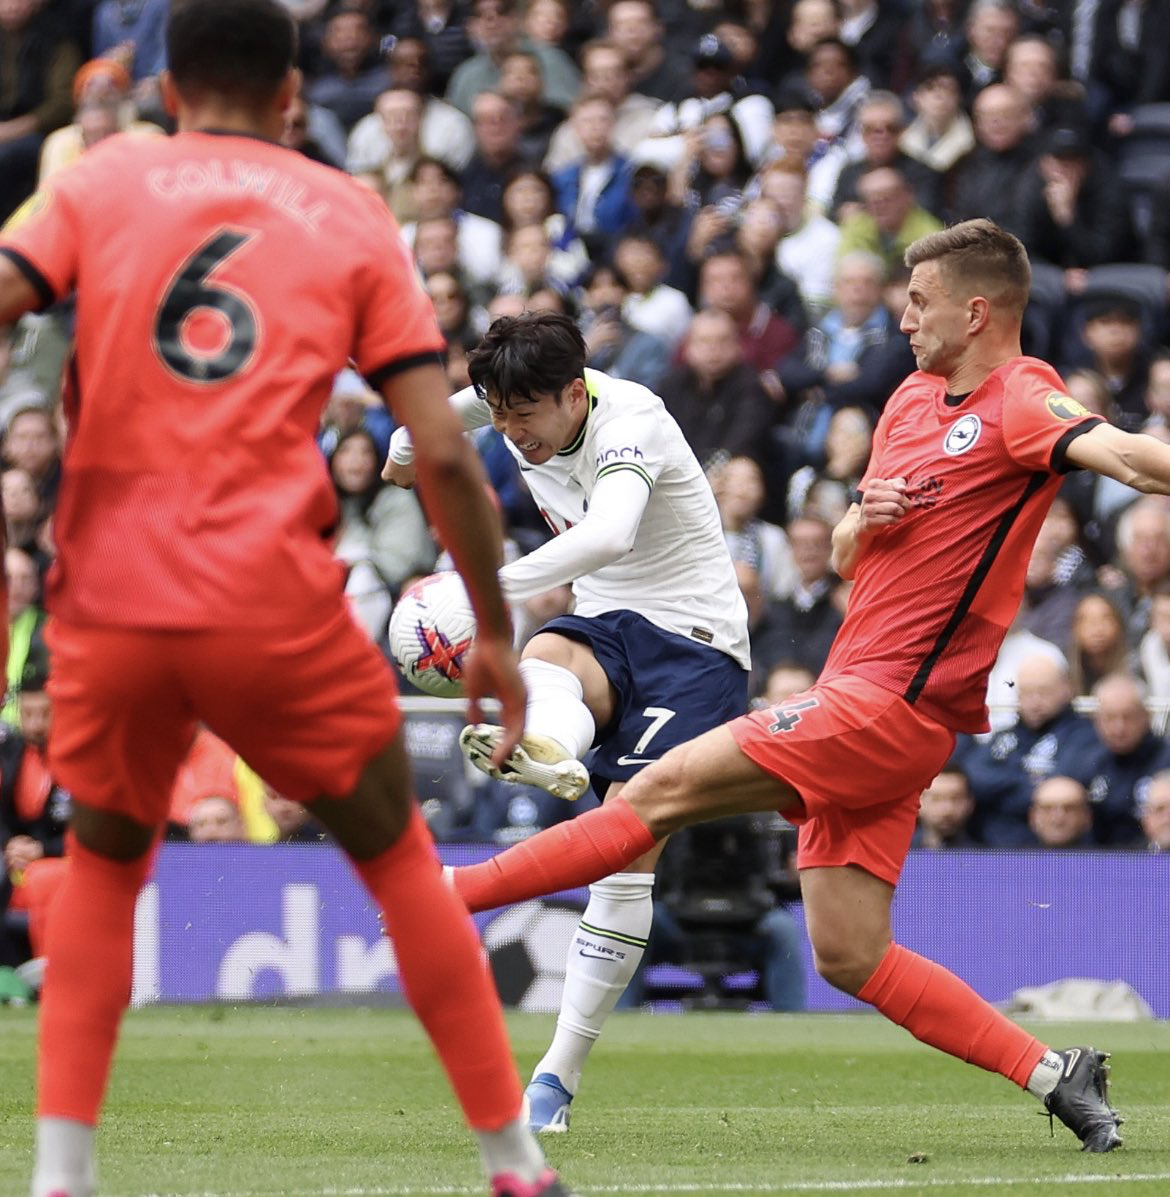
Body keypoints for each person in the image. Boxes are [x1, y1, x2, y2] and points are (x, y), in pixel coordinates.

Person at [0, 3, 571, 1196]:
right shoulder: (350, 213)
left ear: (167, 86)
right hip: (275, 603)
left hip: (110, 598)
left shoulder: (101, 181)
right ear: (291, 94)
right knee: (401, 861)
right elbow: (447, 455)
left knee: (104, 868)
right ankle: (515, 1169)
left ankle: (60, 1178)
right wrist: (499, 633)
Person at [446, 218, 1170, 1155]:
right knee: (849, 954)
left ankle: (451, 893)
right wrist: (863, 522)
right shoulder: (911, 402)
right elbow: (841, 551)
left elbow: (1123, 455)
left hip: (883, 708)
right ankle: (1054, 1070)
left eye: (919, 302)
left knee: (655, 791)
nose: (905, 320)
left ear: (976, 309)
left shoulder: (1023, 399)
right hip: (866, 697)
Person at [383, 311, 751, 1134]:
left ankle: (556, 1074)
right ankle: (556, 746)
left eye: (527, 416)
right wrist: (407, 450)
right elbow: (444, 416)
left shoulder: (633, 418)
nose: (515, 433)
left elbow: (611, 532)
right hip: (609, 622)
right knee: (549, 655)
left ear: (574, 394)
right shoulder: (513, 405)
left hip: (694, 643)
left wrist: (487, 587)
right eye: (501, 415)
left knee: (626, 851)